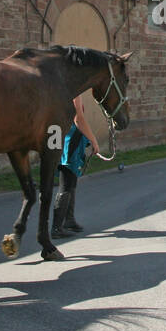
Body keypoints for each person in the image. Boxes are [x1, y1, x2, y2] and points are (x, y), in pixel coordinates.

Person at [52, 94, 102, 237]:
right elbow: (78, 119)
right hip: (69, 143)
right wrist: (93, 140)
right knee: (66, 184)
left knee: (71, 182)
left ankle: (69, 220)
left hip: (67, 140)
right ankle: (56, 227)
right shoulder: (73, 90)